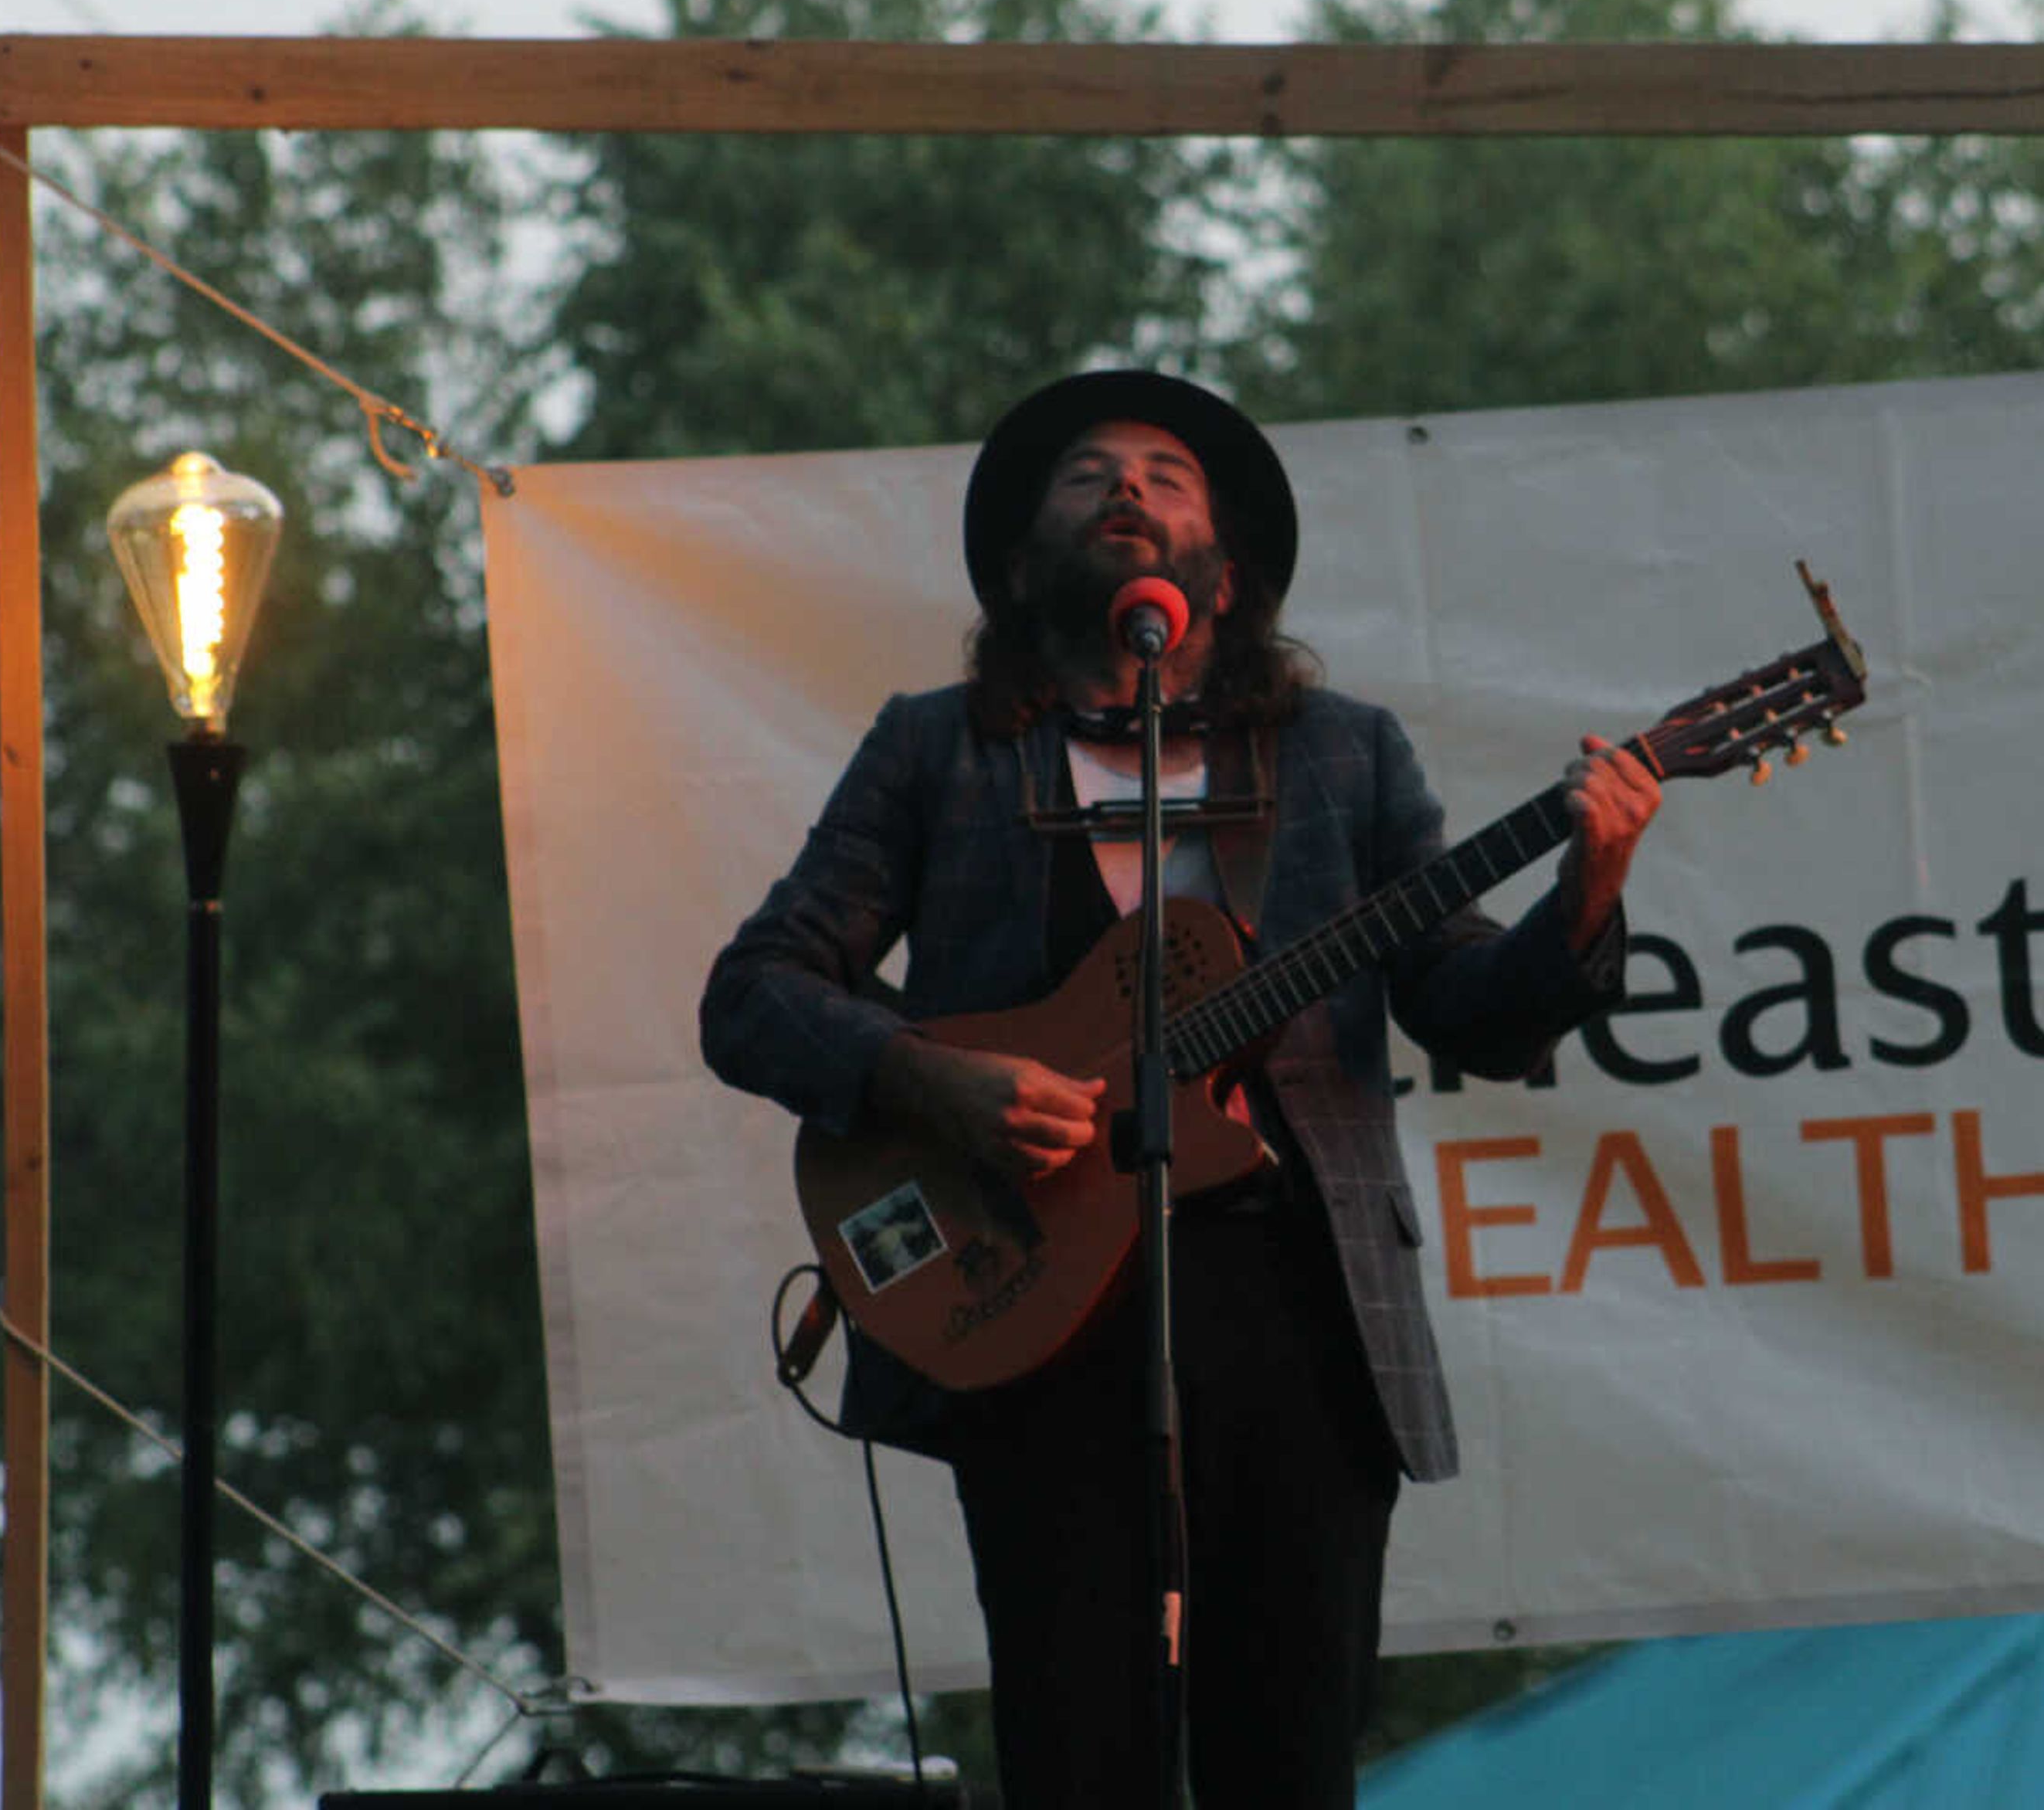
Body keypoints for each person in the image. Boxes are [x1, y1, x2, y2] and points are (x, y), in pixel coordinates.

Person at [699, 369, 1662, 1808]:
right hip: (1033, 1310)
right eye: (1087, 475)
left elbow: (1471, 1008)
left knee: (1291, 1751)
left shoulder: (1345, 753)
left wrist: (1590, 889)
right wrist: (929, 1078)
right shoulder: (938, 748)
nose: (1130, 490)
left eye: (1168, 472)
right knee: (1079, 1757)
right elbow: (756, 990)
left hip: (1300, 1315)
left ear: (1227, 568)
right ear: (1026, 566)